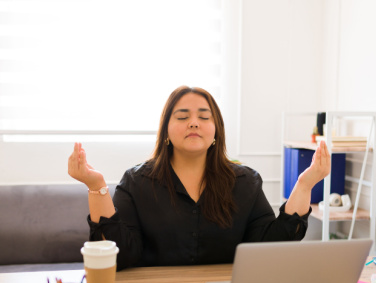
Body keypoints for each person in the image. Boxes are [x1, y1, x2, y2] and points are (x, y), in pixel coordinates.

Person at [68, 86, 331, 271]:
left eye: (204, 117)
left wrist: (305, 184)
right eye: (183, 117)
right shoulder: (137, 182)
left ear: (215, 131)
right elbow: (119, 255)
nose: (194, 123)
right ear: (166, 132)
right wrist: (96, 186)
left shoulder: (245, 182)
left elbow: (271, 248)